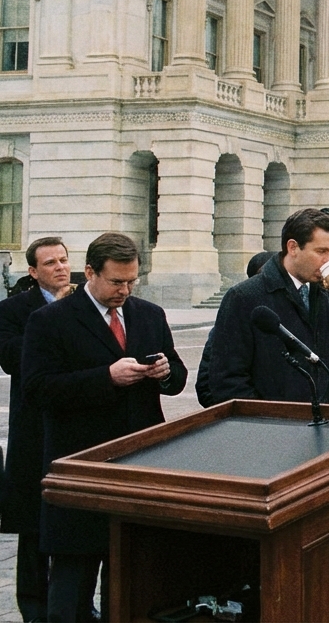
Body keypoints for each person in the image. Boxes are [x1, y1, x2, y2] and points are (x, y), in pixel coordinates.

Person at [22, 232, 187, 622]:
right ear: (90, 272)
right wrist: (105, 378)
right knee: (72, 586)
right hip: (80, 468)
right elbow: (36, 389)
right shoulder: (50, 321)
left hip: (138, 464)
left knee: (132, 581)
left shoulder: (149, 314)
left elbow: (178, 377)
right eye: (116, 282)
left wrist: (165, 373)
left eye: (132, 281)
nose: (124, 290)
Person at [199, 208, 329, 406]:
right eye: (321, 251)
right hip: (279, 427)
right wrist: (268, 422)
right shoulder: (244, 297)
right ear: (293, 247)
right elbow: (227, 378)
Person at [0, 237, 73, 622]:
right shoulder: (13, 310)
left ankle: (73, 603)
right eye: (50, 263)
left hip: (74, 421)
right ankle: (32, 606)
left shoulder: (83, 303)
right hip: (32, 424)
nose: (60, 268)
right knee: (32, 523)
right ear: (33, 271)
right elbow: (13, 358)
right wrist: (53, 320)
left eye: (64, 260)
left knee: (71, 518)